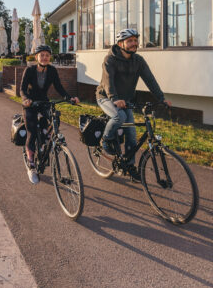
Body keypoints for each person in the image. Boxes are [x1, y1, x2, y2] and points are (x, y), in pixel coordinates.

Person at [96, 28, 171, 181]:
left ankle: (129, 166)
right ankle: (105, 140)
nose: (134, 43)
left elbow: (150, 79)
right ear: (120, 43)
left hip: (126, 100)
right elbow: (108, 81)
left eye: (135, 40)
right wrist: (114, 98)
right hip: (106, 97)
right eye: (130, 41)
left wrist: (161, 98)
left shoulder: (138, 61)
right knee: (119, 117)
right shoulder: (110, 59)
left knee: (131, 135)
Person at [21, 44, 79, 184]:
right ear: (36, 57)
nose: (45, 57)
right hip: (30, 104)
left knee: (55, 119)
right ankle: (31, 164)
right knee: (32, 132)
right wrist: (26, 99)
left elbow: (59, 87)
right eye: (42, 55)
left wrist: (69, 97)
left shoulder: (52, 70)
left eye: (47, 55)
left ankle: (45, 141)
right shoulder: (29, 70)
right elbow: (22, 89)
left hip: (44, 102)